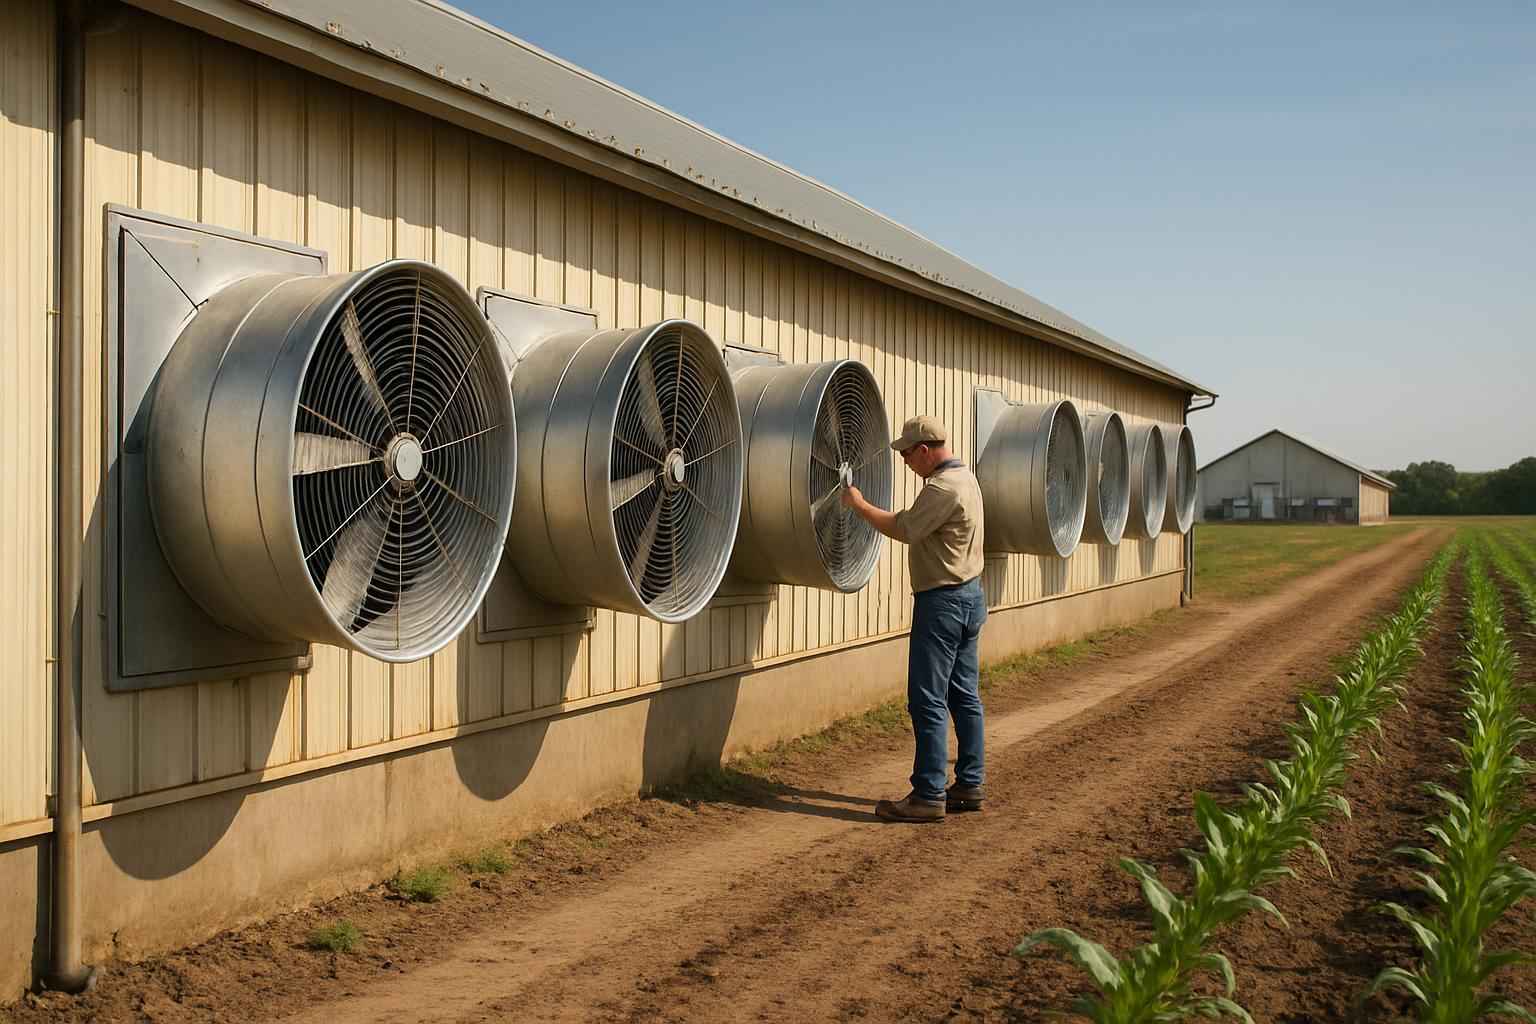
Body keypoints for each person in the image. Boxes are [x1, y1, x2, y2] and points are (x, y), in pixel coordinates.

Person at [841, 415, 986, 823]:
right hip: (970, 596)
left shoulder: (942, 488)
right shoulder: (967, 479)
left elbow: (905, 527)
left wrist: (858, 505)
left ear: (924, 450)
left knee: (927, 700)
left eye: (907, 454)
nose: (905, 462)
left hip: (942, 604)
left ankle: (928, 794)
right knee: (965, 696)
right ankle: (970, 784)